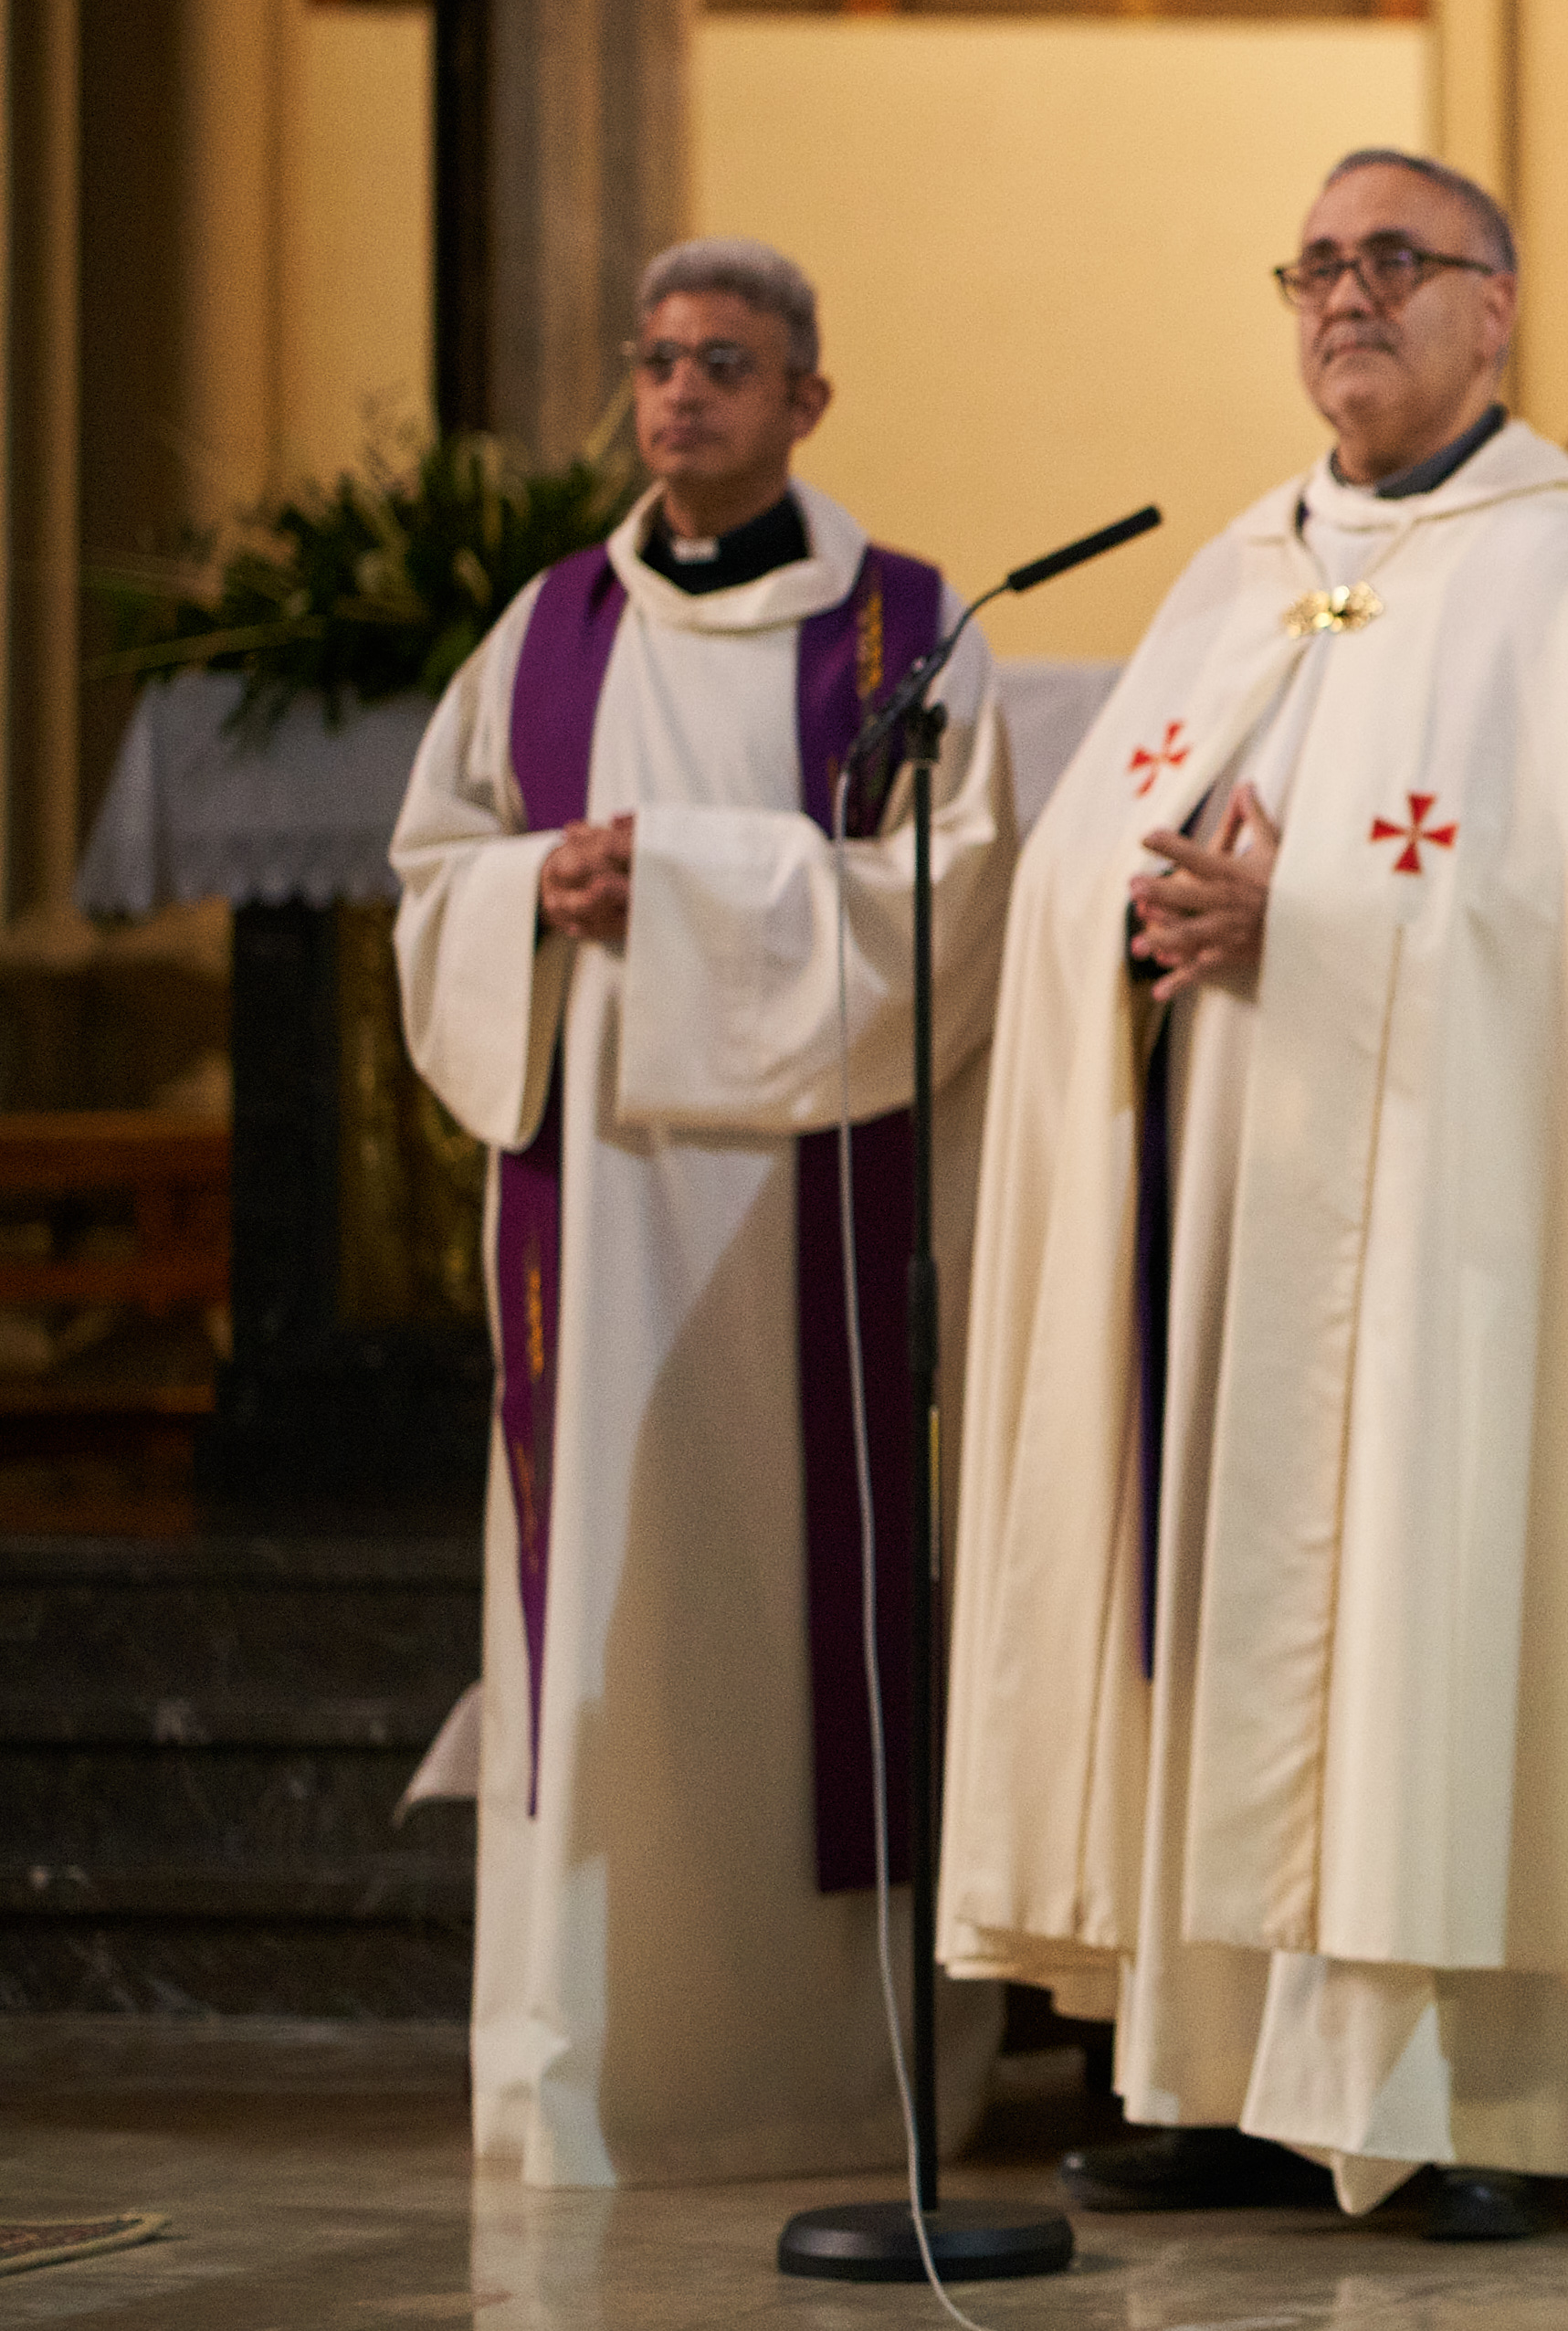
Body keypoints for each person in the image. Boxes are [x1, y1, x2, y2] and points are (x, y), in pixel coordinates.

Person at [942, 146, 1568, 2245]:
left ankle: (1491, 2093)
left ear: (1495, 304)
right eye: (1318, 265)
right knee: (1222, 1601)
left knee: (1450, 1595)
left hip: (1468, 1246)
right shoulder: (1241, 566)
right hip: (1227, 1225)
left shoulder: (1552, 570)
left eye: (1395, 260)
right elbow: (1078, 859)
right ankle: (1227, 2074)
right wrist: (1145, 914)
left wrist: (1314, 920)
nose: (1347, 297)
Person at [391, 237, 1015, 2188]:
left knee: (799, 1612)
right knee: (600, 1613)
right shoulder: (548, 630)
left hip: (806, 1217)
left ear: (806, 399)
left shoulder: (905, 629)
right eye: (656, 363)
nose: (678, 398)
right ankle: (580, 2074)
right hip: (595, 1190)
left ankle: (829, 2082)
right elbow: (436, 872)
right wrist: (533, 899)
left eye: (722, 366)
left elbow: (956, 899)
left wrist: (678, 882)